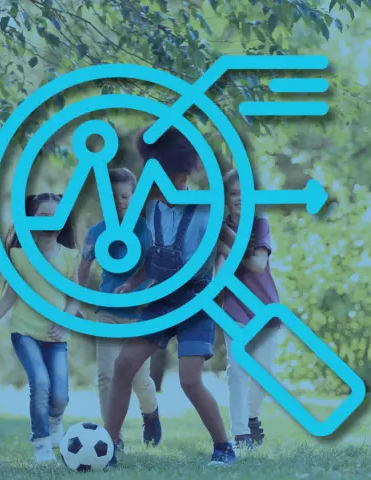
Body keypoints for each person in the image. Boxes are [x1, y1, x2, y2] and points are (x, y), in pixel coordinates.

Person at [104, 125, 238, 467]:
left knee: (190, 381)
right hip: (160, 303)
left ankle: (224, 447)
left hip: (196, 304)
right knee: (123, 367)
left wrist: (222, 277)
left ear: (181, 175)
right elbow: (153, 257)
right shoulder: (153, 210)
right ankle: (108, 446)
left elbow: (231, 247)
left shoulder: (206, 210)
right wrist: (134, 283)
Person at [0, 192, 81, 465]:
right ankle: (41, 444)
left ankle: (55, 422)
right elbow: (8, 297)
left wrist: (63, 322)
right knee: (40, 383)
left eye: (57, 216)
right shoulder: (19, 256)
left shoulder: (68, 257)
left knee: (60, 397)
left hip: (55, 336)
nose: (51, 221)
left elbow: (75, 299)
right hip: (25, 332)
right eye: (43, 216)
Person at [77, 167, 162, 449]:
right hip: (107, 312)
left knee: (140, 380)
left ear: (135, 196)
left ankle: (150, 413)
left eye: (125, 196)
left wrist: (146, 295)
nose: (119, 202)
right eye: (113, 197)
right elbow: (84, 266)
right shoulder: (96, 232)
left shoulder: (146, 229)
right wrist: (75, 300)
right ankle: (111, 437)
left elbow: (156, 267)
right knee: (106, 375)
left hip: (139, 315)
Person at [216, 169, 282, 451]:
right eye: (233, 194)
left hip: (265, 308)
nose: (239, 199)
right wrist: (220, 250)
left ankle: (252, 417)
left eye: (245, 194)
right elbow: (218, 280)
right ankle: (240, 433)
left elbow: (258, 264)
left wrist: (228, 249)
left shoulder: (259, 225)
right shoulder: (217, 229)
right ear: (226, 199)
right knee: (236, 371)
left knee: (264, 373)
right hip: (234, 309)